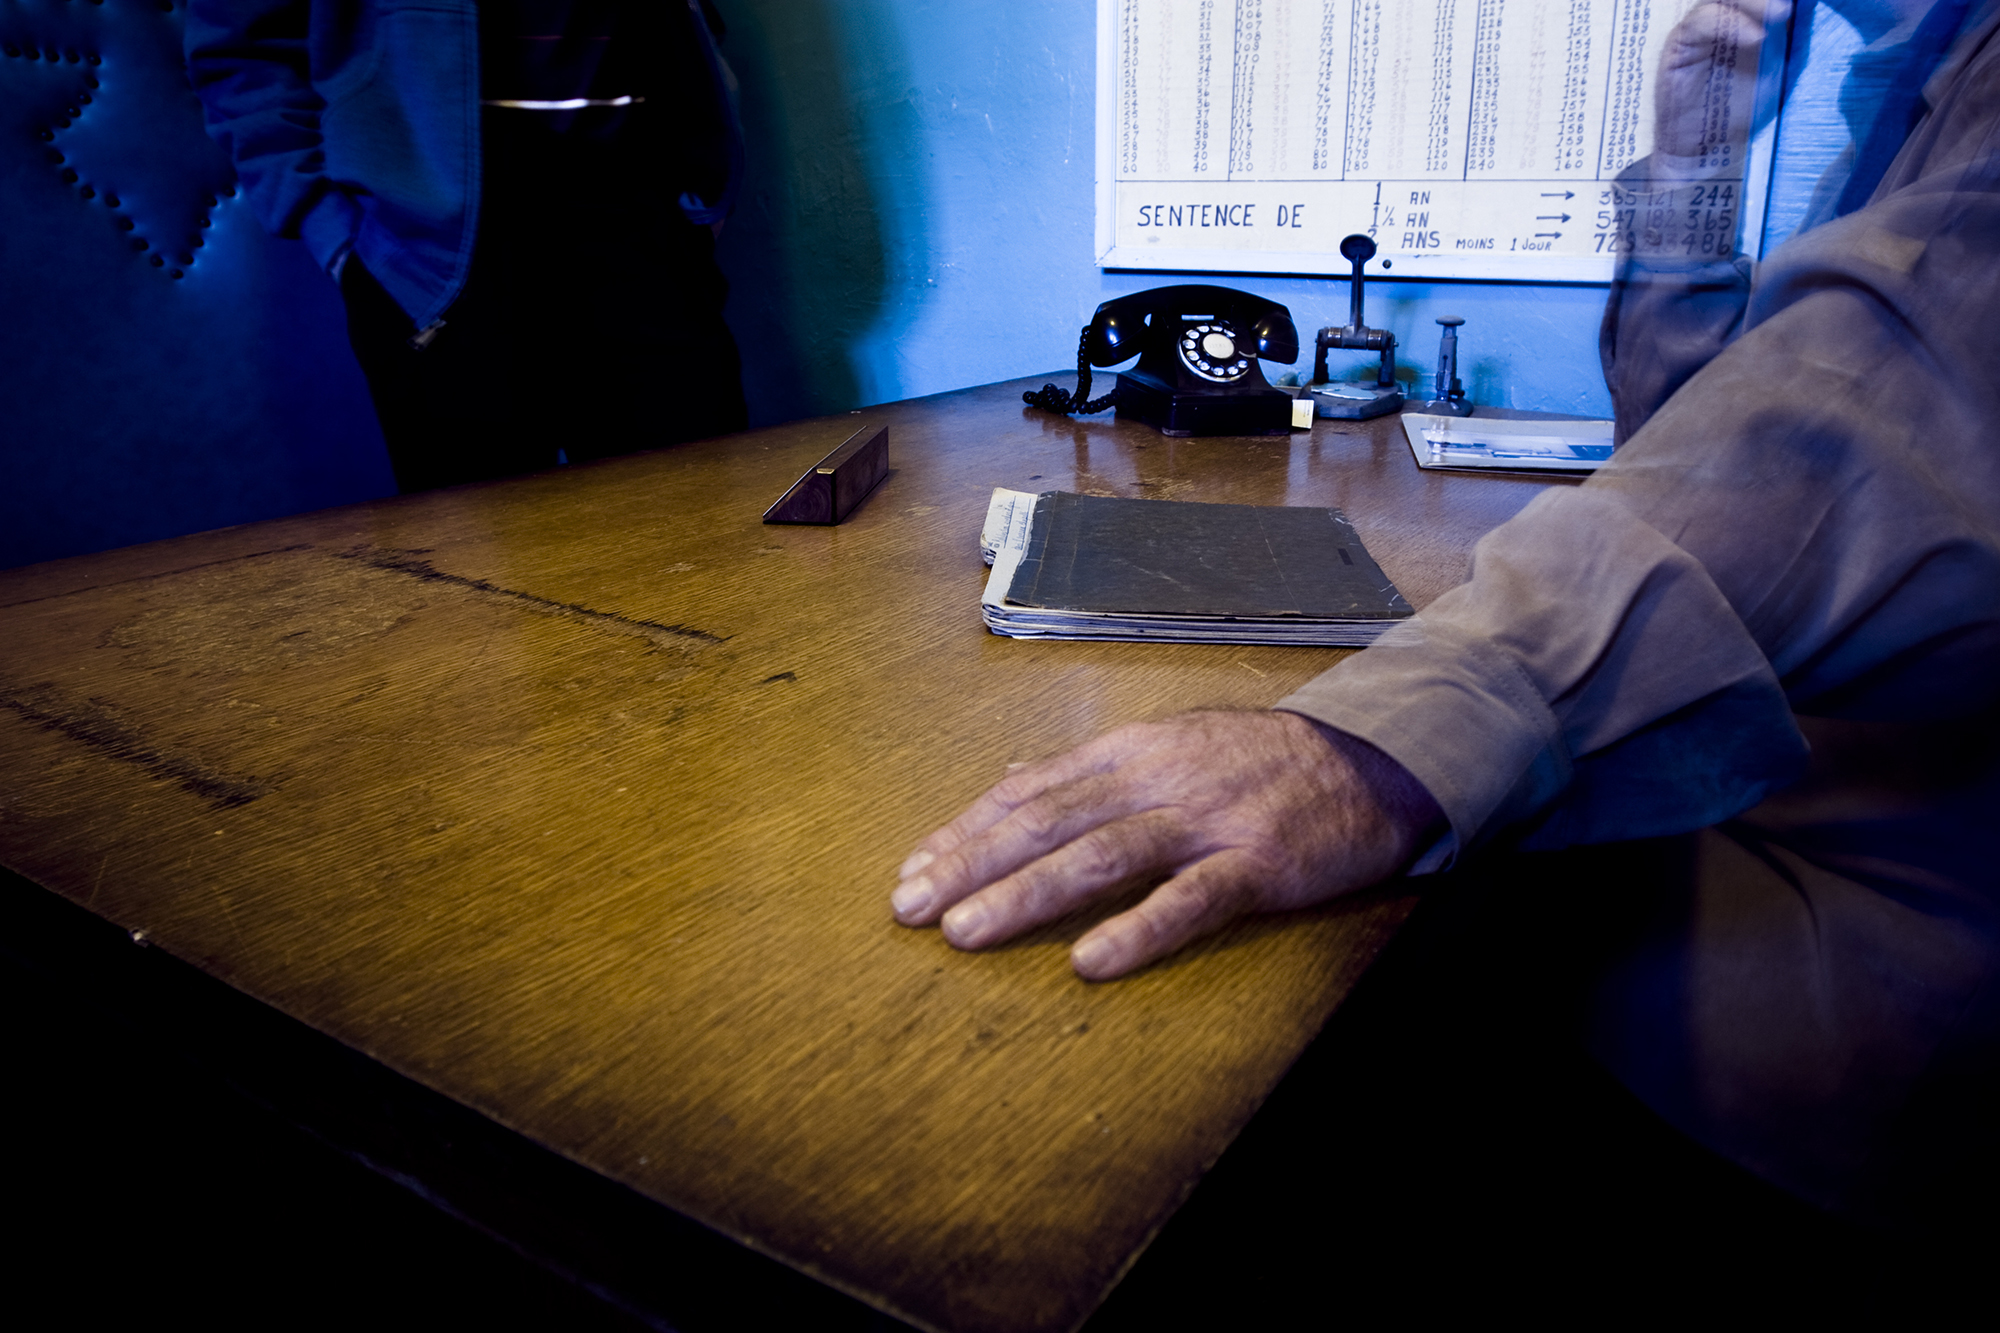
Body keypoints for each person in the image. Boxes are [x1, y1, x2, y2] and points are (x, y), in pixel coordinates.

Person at [893, 0, 2000, 1227]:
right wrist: (1695, 152)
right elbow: (1693, 434)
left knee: (1250, 1022)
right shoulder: (1918, 73)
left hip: (1846, 954)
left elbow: (1845, 439)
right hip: (1750, 805)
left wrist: (1370, 744)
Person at [185, 0, 748, 493]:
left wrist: (697, 181)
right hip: (432, 254)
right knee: (490, 601)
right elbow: (238, 51)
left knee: (705, 556)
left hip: (641, 224)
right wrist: (335, 236)